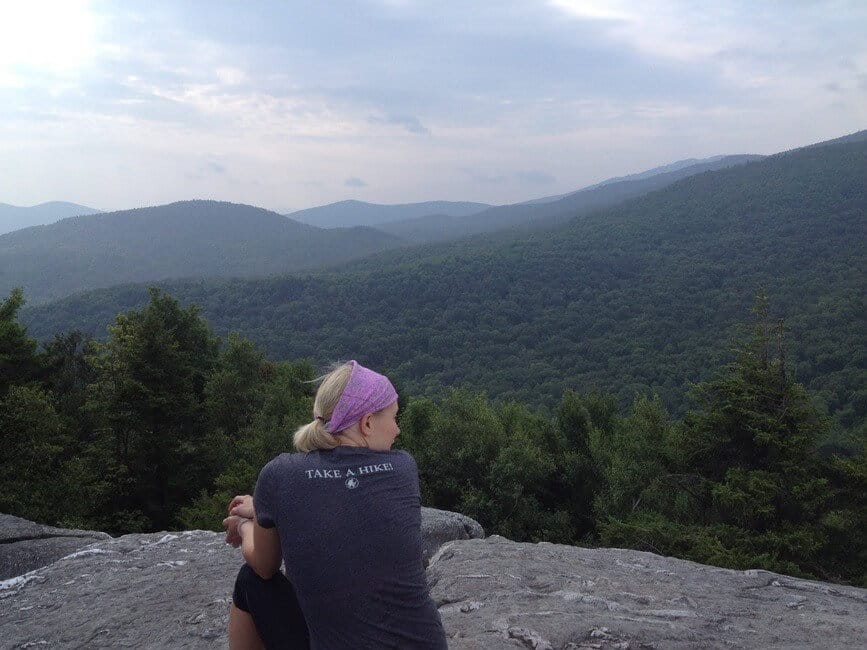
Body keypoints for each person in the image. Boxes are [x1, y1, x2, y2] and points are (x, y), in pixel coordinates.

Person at [222, 360, 448, 649]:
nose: (397, 430)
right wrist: (274, 508)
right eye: (394, 417)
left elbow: (265, 567)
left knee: (249, 582)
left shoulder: (280, 475)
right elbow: (350, 503)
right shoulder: (403, 468)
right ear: (367, 423)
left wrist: (244, 525)